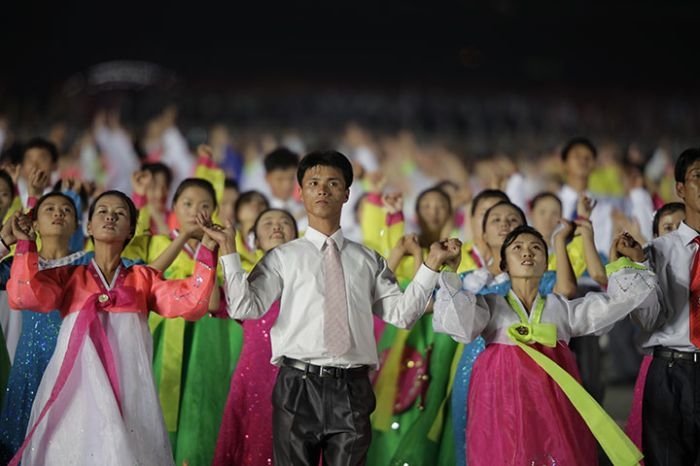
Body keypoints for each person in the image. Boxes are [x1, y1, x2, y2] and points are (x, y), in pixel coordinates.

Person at [203, 150, 461, 465]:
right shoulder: (283, 257)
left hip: (352, 388)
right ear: (300, 192)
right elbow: (245, 308)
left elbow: (403, 314)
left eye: (333, 183)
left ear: (347, 193)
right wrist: (229, 250)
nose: (323, 190)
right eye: (313, 182)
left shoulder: (367, 259)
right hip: (297, 384)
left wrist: (431, 266)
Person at [5, 190, 217, 466]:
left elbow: (191, 302)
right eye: (102, 211)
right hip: (76, 392)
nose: (110, 217)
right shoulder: (69, 276)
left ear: (130, 229)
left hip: (130, 390)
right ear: (89, 226)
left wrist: (209, 251)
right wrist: (24, 246)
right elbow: (25, 296)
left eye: (119, 214)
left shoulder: (142, 279)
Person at [434, 225, 660, 465]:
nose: (527, 253)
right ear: (504, 265)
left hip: (553, 412)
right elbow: (460, 324)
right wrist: (449, 271)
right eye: (517, 248)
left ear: (546, 263)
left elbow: (613, 306)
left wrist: (626, 265)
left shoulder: (560, 308)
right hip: (500, 411)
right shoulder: (491, 306)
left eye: (536, 248)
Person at [213, 208, 298, 466]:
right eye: (268, 223)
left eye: (285, 222)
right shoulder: (244, 278)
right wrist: (212, 250)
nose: (277, 227)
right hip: (255, 374)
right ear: (255, 240)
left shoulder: (311, 277)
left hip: (300, 373)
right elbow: (212, 304)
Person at [634, 148, 700, 465]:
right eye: (698, 177)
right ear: (679, 189)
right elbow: (647, 319)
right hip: (672, 371)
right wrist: (635, 272)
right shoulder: (657, 252)